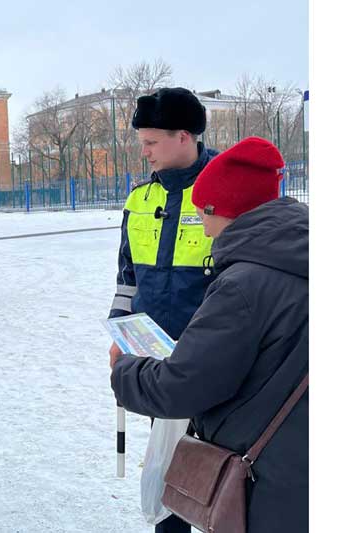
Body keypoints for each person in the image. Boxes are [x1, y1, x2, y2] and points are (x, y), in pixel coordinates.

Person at [111, 137, 308, 533]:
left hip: (268, 485)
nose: (201, 223)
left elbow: (182, 387)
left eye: (203, 212)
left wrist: (125, 371)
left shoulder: (244, 284)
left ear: (224, 209)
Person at [107, 87, 218, 533]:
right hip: (155, 358)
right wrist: (120, 338)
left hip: (213, 358)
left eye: (152, 143)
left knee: (217, 465)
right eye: (142, 143)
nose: (145, 152)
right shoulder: (139, 199)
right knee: (167, 461)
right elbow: (126, 279)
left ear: (185, 137)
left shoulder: (222, 193)